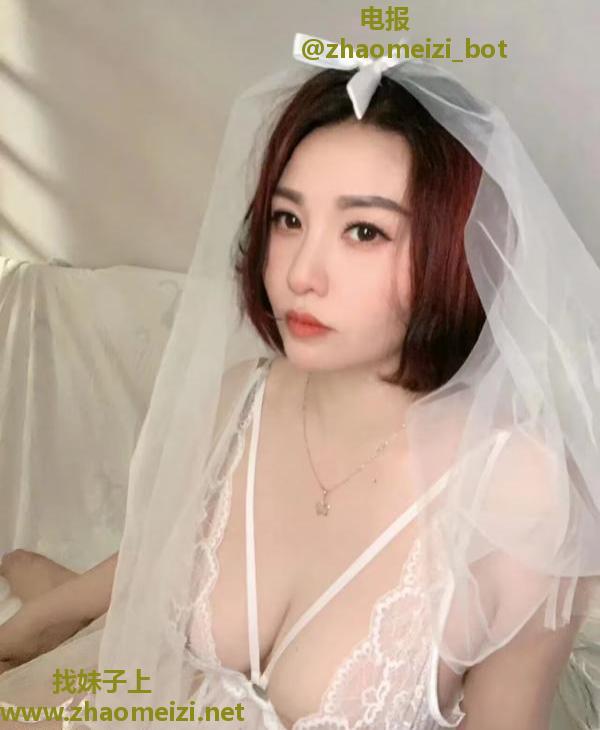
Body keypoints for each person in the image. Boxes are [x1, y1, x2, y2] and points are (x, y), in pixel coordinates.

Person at [0, 33, 599, 730]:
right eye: (288, 219)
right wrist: (40, 622)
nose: (300, 273)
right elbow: (163, 558)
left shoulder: (522, 496)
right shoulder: (240, 403)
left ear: (453, 248)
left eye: (364, 231)